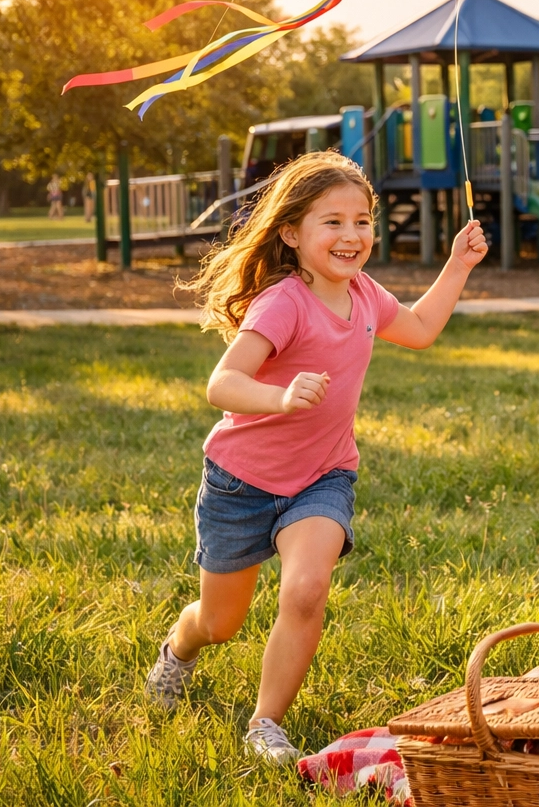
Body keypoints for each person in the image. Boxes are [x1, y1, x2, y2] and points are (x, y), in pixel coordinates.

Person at [143, 152, 489, 765]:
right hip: (240, 483)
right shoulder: (284, 301)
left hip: (322, 478)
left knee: (306, 589)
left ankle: (264, 724)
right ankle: (180, 648)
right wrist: (279, 396)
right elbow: (222, 384)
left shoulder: (364, 293)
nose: (351, 235)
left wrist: (458, 265)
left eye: (362, 220)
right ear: (291, 234)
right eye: (332, 222)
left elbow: (419, 327)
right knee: (221, 622)